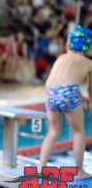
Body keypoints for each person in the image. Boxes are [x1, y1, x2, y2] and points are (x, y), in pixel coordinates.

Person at [39, 26, 92, 180]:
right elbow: (89, 87)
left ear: (68, 44)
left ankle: (41, 168)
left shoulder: (61, 58)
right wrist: (89, 102)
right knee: (78, 132)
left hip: (50, 92)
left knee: (53, 131)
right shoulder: (88, 63)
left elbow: (64, 83)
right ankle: (79, 171)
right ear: (89, 47)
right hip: (68, 92)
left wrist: (81, 98)